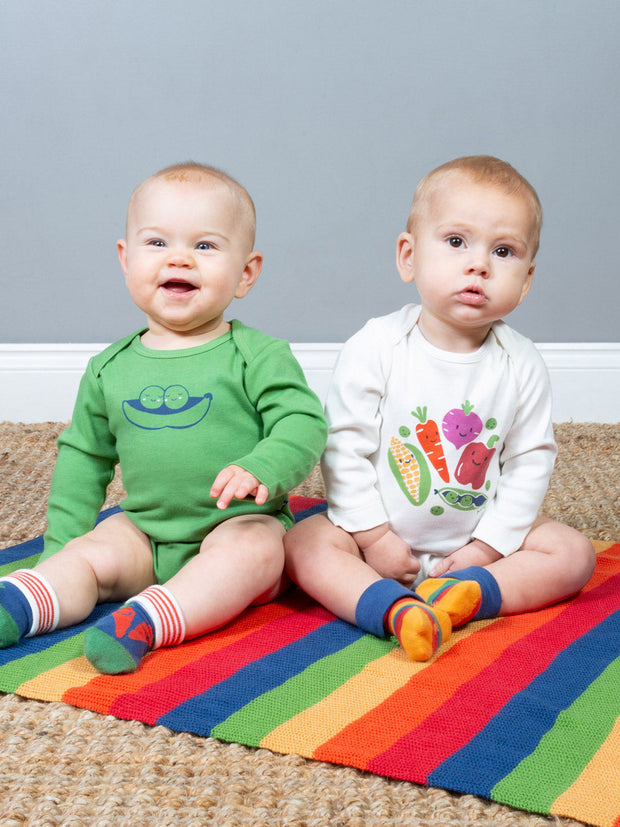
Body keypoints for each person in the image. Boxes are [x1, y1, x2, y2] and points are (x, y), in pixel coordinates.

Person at [0, 162, 327, 673]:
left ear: (245, 273)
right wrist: (62, 549)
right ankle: (24, 602)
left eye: (205, 246)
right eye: (157, 244)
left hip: (238, 523)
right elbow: (83, 459)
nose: (179, 258)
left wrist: (265, 465)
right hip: (146, 531)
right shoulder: (109, 367)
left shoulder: (257, 354)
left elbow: (303, 422)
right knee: (92, 553)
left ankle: (148, 620)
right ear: (125, 259)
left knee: (255, 553)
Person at [285, 155, 595, 662]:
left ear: (527, 279)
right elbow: (344, 446)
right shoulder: (378, 345)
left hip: (476, 541)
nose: (479, 264)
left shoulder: (520, 362)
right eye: (456, 242)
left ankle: (468, 595)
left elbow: (529, 462)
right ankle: (390, 608)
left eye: (504, 251)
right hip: (377, 536)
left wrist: (486, 551)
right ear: (408, 256)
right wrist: (375, 536)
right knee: (303, 545)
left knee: (573, 554)